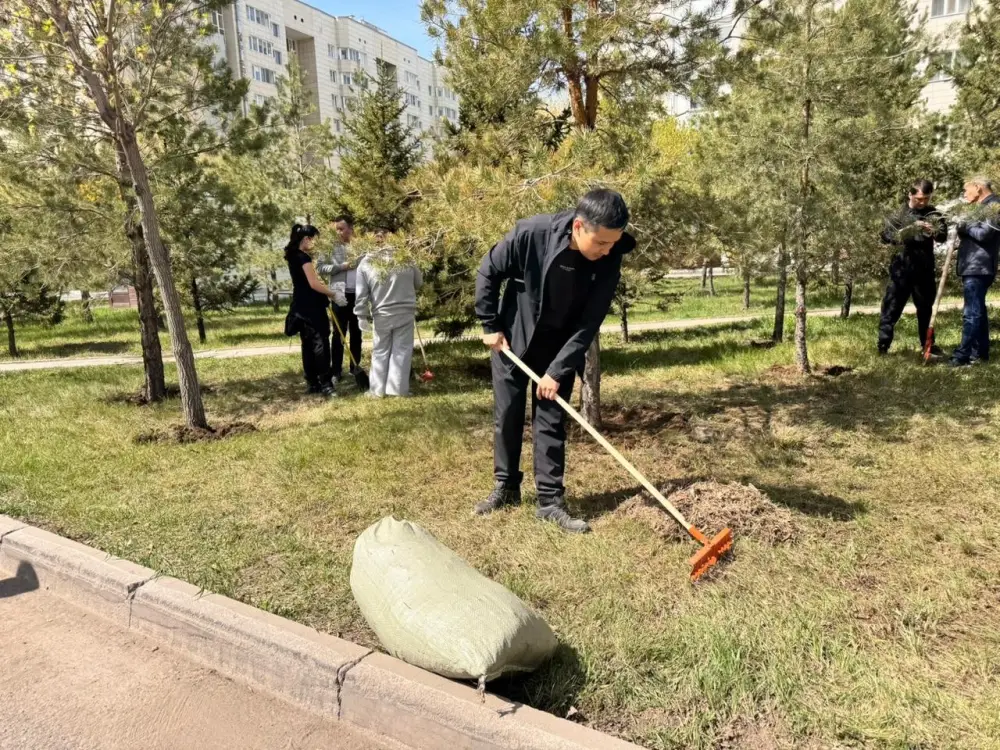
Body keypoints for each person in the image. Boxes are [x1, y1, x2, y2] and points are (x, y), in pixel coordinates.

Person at [473, 188, 636, 533]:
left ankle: (549, 501)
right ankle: (506, 488)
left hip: (559, 345)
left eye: (613, 243)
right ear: (579, 227)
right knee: (509, 414)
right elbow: (488, 271)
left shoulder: (611, 254)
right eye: (602, 243)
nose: (608, 251)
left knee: (549, 419)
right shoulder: (532, 234)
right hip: (514, 339)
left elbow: (589, 322)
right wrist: (490, 323)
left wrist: (558, 370)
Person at [877, 179, 947, 355]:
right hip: (901, 269)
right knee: (891, 308)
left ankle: (928, 345)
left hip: (924, 269)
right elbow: (886, 237)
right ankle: (883, 345)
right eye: (919, 199)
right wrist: (910, 228)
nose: (922, 202)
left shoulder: (934, 213)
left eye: (926, 198)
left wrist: (934, 231)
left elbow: (943, 236)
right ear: (910, 194)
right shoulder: (898, 214)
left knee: (925, 309)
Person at [354, 234, 423, 397]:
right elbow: (419, 283)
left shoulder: (366, 262)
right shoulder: (406, 257)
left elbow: (361, 293)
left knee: (380, 350)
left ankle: (377, 391)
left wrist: (361, 316)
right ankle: (398, 389)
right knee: (402, 350)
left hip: (382, 312)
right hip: (405, 309)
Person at [950, 176, 1000, 367]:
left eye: (966, 189)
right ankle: (980, 353)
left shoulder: (994, 205)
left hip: (979, 266)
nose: (964, 194)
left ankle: (962, 355)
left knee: (972, 312)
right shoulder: (981, 207)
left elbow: (984, 234)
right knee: (978, 311)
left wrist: (964, 225)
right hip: (974, 265)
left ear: (978, 188)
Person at [284, 223, 338, 397]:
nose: (317, 244)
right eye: (316, 240)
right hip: (312, 308)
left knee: (307, 345)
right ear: (307, 239)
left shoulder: (293, 256)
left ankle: (312, 382)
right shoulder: (304, 258)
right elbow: (313, 284)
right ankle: (326, 383)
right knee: (320, 343)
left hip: (300, 307)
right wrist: (332, 294)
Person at [317, 216, 363, 381]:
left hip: (358, 295)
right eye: (336, 229)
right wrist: (340, 267)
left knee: (357, 333)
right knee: (338, 333)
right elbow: (320, 268)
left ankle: (355, 367)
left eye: (341, 228)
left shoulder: (361, 246)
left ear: (351, 228)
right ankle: (336, 371)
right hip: (339, 295)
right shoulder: (330, 247)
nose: (338, 232)